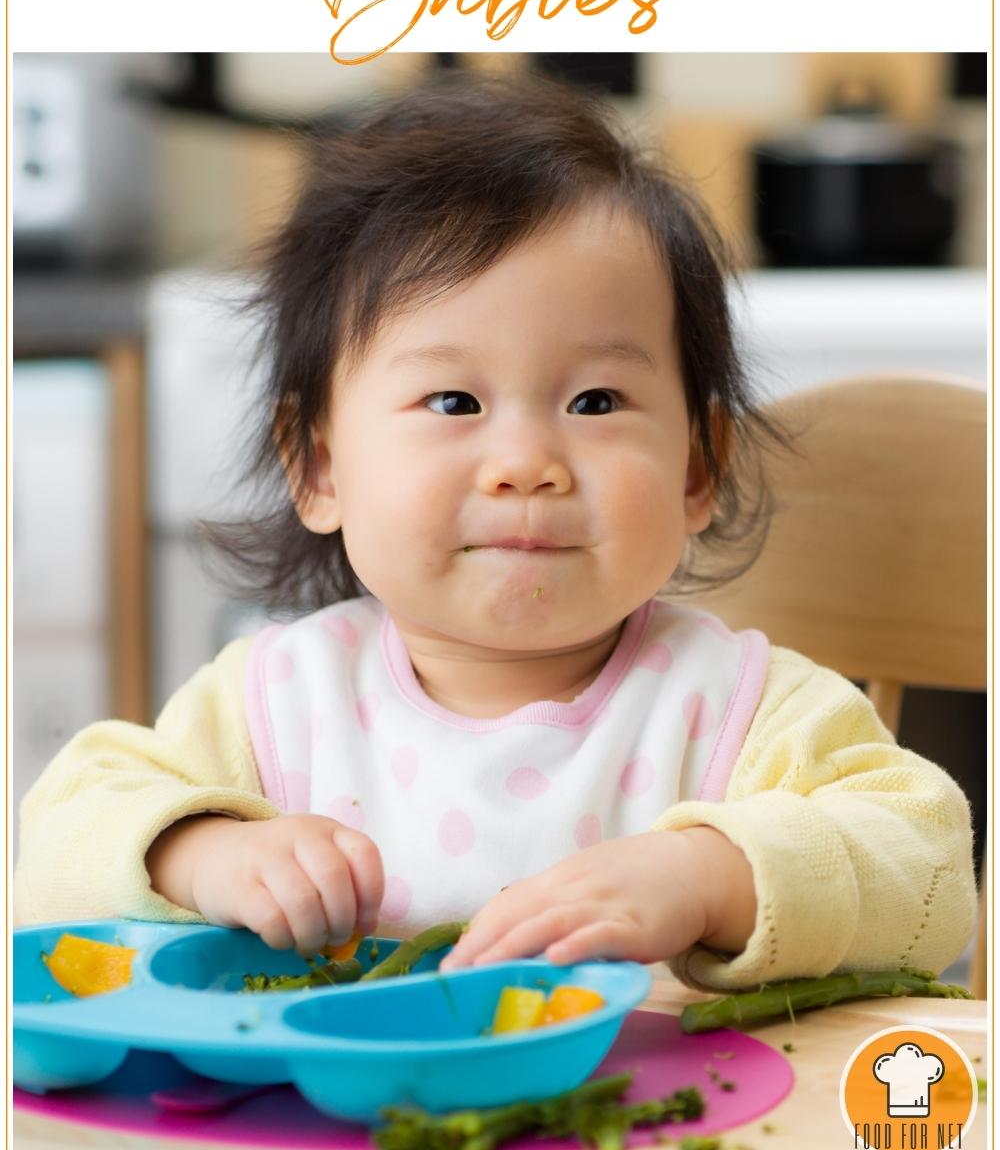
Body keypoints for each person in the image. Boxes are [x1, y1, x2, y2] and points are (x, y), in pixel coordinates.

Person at [16, 77, 977, 991]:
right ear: (320, 467)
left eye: (596, 400)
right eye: (453, 399)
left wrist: (709, 876)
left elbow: (931, 872)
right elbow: (54, 847)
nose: (527, 461)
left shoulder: (740, 712)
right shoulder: (274, 708)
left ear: (696, 467)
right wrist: (201, 852)